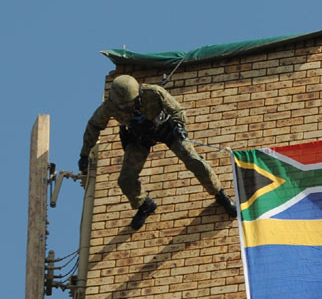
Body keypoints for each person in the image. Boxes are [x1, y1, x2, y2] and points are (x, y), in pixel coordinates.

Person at [78, 75, 237, 230]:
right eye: (122, 106)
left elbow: (177, 110)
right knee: (126, 179)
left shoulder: (153, 92)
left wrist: (179, 126)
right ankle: (145, 204)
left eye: (129, 104)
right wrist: (84, 154)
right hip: (140, 138)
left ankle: (220, 194)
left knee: (194, 160)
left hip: (166, 129)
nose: (126, 108)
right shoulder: (110, 106)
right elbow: (94, 126)